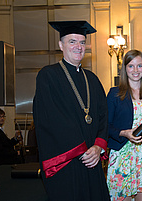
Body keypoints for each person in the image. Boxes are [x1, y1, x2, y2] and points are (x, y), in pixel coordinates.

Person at [33, 21, 110, 200]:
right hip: (67, 162)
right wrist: (82, 150)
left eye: (82, 42)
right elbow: (49, 119)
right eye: (72, 41)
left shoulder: (92, 79)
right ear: (61, 45)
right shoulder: (48, 76)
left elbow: (103, 115)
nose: (78, 47)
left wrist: (98, 146)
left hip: (93, 159)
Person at [106, 49, 142, 201]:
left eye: (139, 66)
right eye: (131, 66)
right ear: (125, 69)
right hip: (121, 155)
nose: (135, 70)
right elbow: (106, 126)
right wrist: (124, 133)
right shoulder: (114, 94)